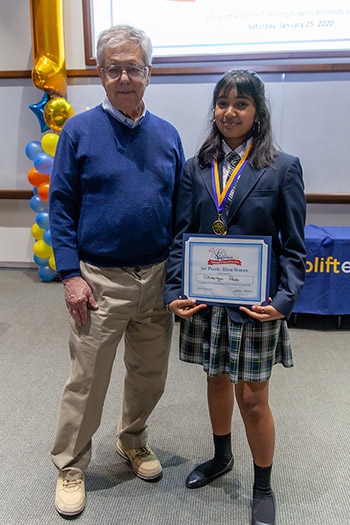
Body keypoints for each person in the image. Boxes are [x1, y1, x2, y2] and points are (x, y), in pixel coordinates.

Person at [49, 25, 185, 517]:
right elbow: (60, 206)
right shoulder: (78, 131)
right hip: (98, 280)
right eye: (113, 68)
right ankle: (70, 464)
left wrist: (179, 277)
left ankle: (132, 440)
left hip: (156, 276)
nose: (124, 76)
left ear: (149, 74)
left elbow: (179, 213)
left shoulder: (168, 135)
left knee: (150, 375)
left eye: (133, 67)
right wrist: (70, 274)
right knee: (87, 380)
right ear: (100, 75)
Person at [164, 69, 306, 525]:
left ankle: (263, 486)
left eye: (240, 104)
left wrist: (282, 303)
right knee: (215, 380)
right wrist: (173, 289)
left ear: (258, 112)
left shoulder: (283, 167)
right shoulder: (195, 166)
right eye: (222, 102)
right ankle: (221, 457)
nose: (229, 111)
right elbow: (181, 235)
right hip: (208, 301)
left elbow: (293, 248)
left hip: (255, 307)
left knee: (254, 398)